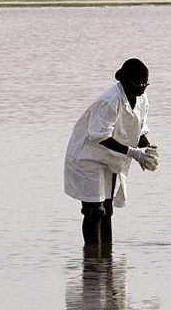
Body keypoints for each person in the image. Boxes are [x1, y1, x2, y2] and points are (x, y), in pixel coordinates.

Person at [64, 59, 159, 247]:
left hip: (111, 156)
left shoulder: (142, 99)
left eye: (145, 84)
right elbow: (100, 136)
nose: (142, 88)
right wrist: (134, 153)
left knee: (107, 209)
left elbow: (138, 128)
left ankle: (105, 261)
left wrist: (146, 150)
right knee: (94, 211)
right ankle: (93, 262)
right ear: (125, 81)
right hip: (88, 157)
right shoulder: (109, 101)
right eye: (138, 84)